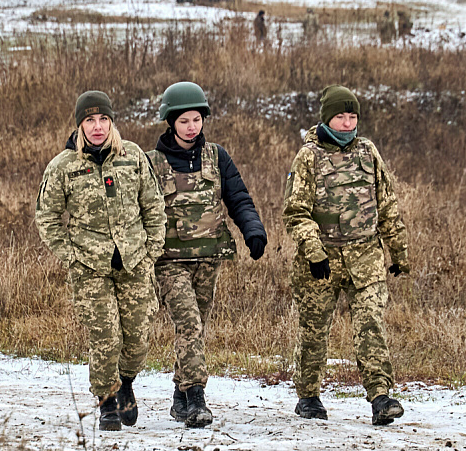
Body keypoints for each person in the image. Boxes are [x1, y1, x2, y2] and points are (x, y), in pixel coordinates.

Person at [35, 91, 165, 431]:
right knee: (105, 336)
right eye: (90, 120)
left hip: (135, 261)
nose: (97, 127)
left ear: (112, 122)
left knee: (138, 336)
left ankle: (126, 382)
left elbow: (154, 207)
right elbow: (46, 218)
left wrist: (151, 251)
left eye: (103, 119)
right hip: (91, 268)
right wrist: (72, 257)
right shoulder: (63, 166)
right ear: (79, 124)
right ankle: (107, 402)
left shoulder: (133, 156)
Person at [283, 85, 410, 426]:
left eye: (352, 116)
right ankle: (308, 395)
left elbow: (387, 204)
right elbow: (295, 212)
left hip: (365, 257)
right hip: (319, 262)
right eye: (340, 116)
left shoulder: (368, 152)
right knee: (314, 330)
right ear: (327, 118)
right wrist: (314, 252)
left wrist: (398, 251)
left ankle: (381, 397)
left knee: (371, 323)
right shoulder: (308, 156)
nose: (347, 122)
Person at [147, 82, 267, 428]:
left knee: (196, 329)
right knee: (188, 322)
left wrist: (253, 231)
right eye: (183, 120)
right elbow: (133, 203)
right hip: (169, 262)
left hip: (208, 259)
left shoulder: (217, 156)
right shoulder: (152, 163)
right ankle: (197, 397)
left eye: (196, 119)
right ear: (170, 122)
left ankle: (179, 395)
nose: (191, 127)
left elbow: (238, 197)